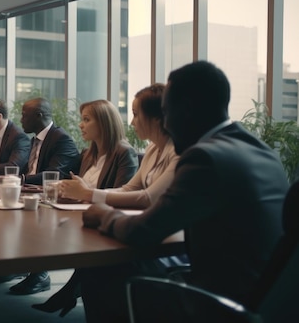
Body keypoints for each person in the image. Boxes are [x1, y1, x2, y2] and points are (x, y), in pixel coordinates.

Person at [79, 61, 288, 322]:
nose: (164, 123)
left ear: (186, 110)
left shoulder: (205, 158)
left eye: (166, 112)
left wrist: (102, 214)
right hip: (272, 299)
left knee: (100, 270)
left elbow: (143, 231)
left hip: (226, 301)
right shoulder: (261, 150)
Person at [33, 84, 180, 317]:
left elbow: (147, 198)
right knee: (96, 268)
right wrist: (83, 193)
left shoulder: (178, 153)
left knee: (100, 268)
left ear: (156, 118)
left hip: (166, 239)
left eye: (135, 114)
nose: (131, 123)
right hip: (146, 227)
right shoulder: (152, 150)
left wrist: (90, 195)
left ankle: (75, 294)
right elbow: (129, 188)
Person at [0, 97, 79, 295]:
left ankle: (40, 275)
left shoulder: (61, 139)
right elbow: (30, 168)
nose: (21, 119)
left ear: (39, 115)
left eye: (25, 115)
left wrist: (21, 179)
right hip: (34, 193)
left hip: (55, 197)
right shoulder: (36, 138)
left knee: (27, 215)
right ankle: (18, 264)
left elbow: (54, 175)